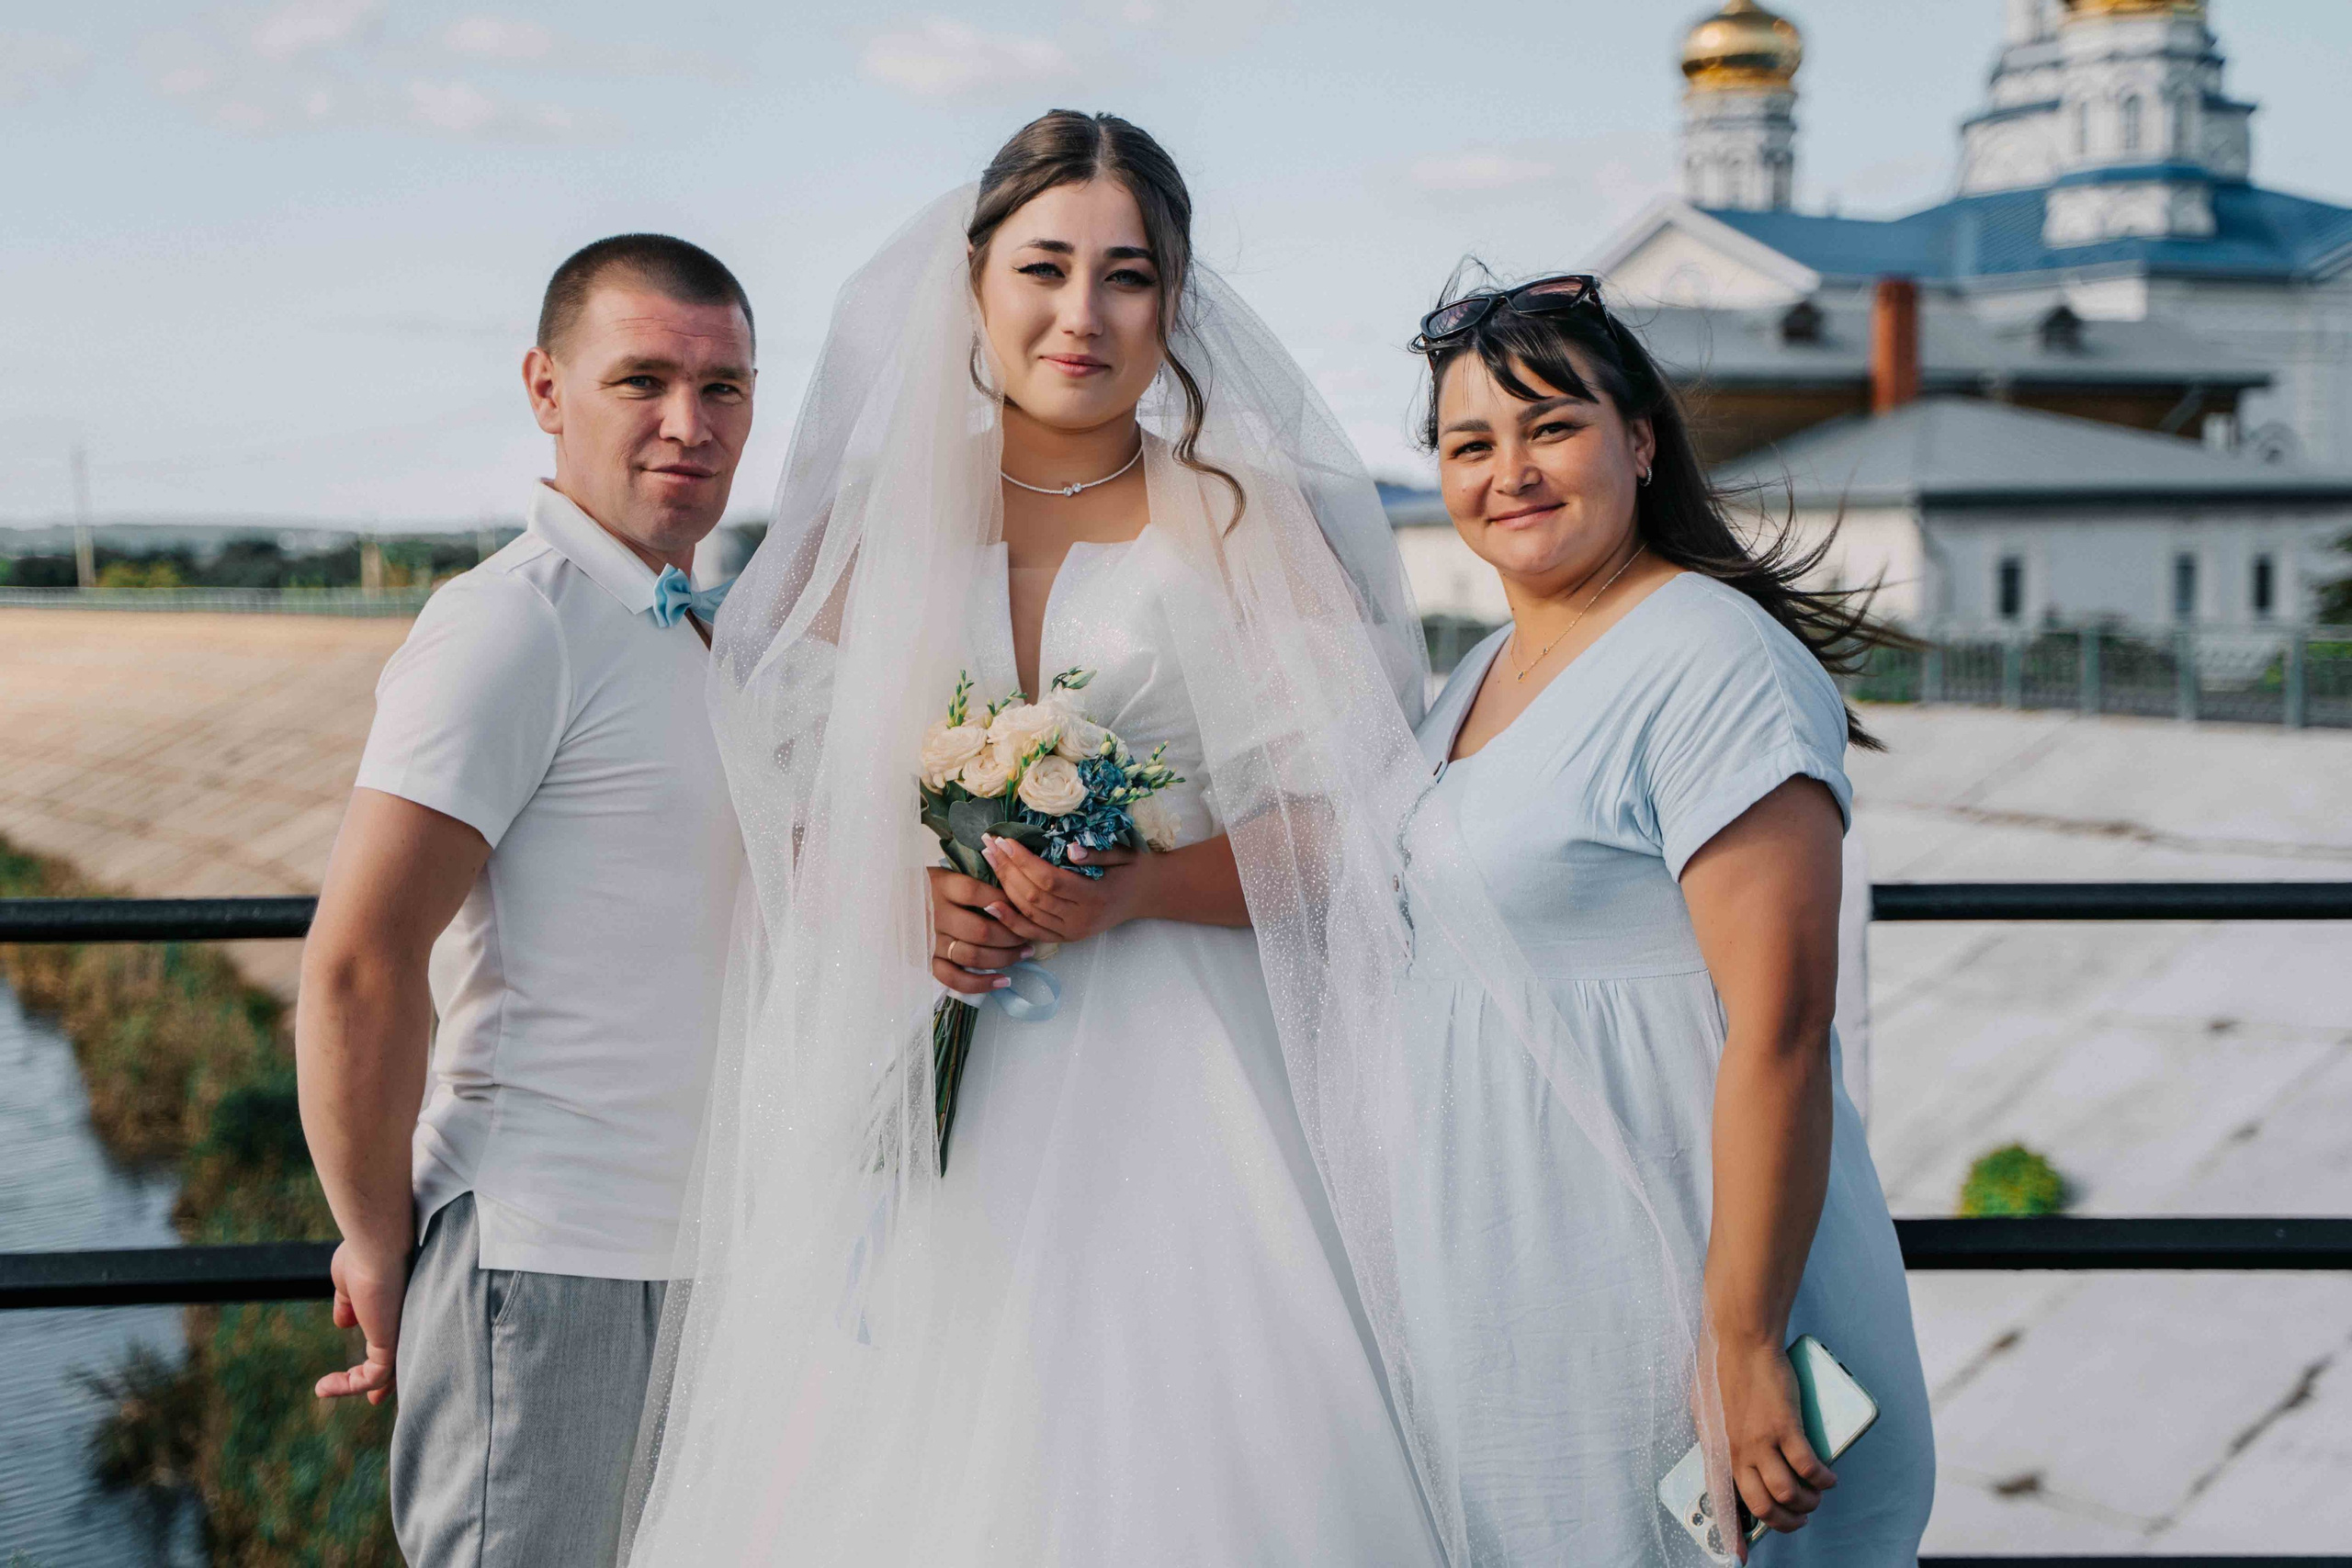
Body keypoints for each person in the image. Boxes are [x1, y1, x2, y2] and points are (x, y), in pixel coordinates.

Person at [623, 110, 1452, 1565]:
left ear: (1175, 305)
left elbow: (1346, 827)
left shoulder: (1234, 519)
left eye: (1128, 276)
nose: (1082, 314)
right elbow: (780, 815)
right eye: (1045, 267)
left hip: (1180, 1087)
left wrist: (1140, 892)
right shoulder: (866, 530)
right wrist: (905, 900)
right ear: (975, 285)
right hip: (910, 1089)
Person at [1406, 272, 1935, 1562]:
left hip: (1689, 1302)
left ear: (1639, 441)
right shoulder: (1477, 673)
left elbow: (1786, 1025)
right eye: (1471, 443)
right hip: (1535, 1300)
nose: (1510, 471)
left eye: (1551, 427)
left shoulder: (1715, 661)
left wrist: (1744, 1340)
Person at [294, 233, 754, 1567]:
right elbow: (358, 965)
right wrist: (376, 1237)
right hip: (547, 1262)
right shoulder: (515, 620)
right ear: (546, 389)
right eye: (644, 380)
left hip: (696, 1253)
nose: (690, 423)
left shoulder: (684, 623)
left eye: (724, 388)